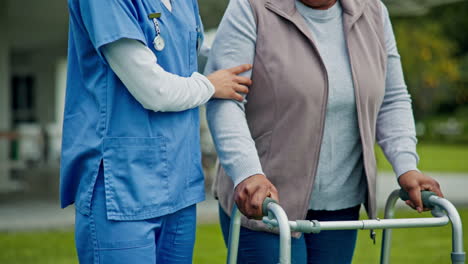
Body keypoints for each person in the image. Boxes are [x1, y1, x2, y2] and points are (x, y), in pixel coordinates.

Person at [205, 0, 444, 263]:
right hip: (265, 203)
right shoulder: (250, 8)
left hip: (340, 204)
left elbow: (392, 99)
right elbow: (226, 100)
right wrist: (247, 172)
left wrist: (407, 166)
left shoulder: (373, 11)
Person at [60, 0, 252, 263]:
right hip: (122, 184)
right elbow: (153, 90)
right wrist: (210, 86)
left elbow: (195, 55)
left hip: (179, 183)